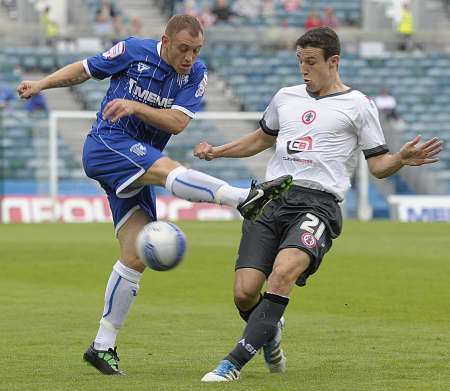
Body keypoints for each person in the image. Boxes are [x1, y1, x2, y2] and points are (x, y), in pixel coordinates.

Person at [16, 14, 292, 375]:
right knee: (168, 169)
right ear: (165, 40)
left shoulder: (195, 74)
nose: (189, 57)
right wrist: (42, 84)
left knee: (134, 256)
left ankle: (102, 345)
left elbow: (178, 122)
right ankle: (242, 198)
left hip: (136, 161)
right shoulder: (132, 50)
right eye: (183, 49)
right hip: (107, 145)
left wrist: (135, 106)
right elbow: (84, 69)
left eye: (196, 50)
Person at [194, 26, 443, 382]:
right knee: (245, 292)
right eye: (300, 61)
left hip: (318, 205)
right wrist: (219, 151)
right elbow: (262, 138)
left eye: (311, 62)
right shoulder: (285, 97)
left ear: (334, 62)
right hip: (271, 199)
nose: (304, 69)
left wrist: (401, 158)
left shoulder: (359, 105)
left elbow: (378, 166)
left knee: (283, 274)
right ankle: (270, 333)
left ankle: (230, 364)